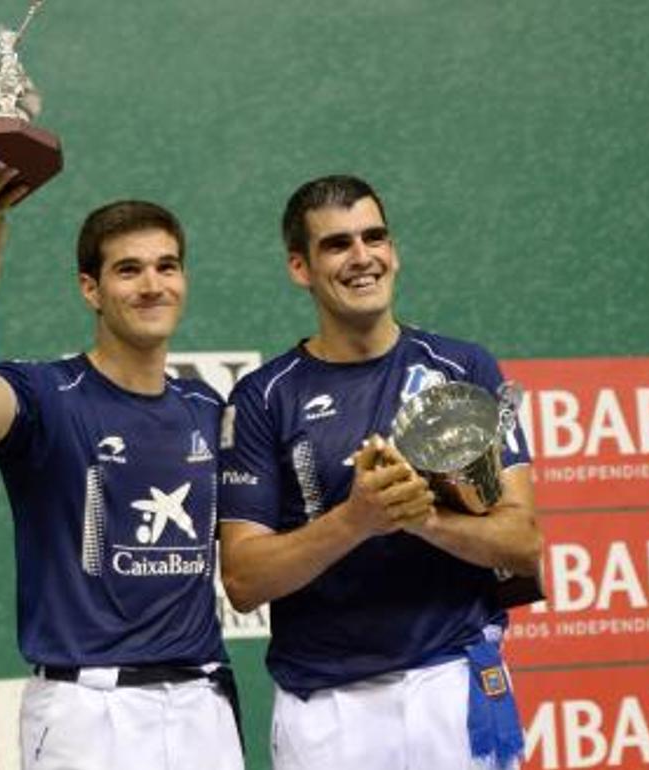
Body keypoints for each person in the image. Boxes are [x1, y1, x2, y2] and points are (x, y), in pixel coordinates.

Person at [0, 156, 243, 770]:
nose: (152, 284)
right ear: (90, 288)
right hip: (86, 715)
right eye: (128, 270)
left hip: (201, 707)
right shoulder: (48, 397)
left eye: (166, 267)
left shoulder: (207, 407)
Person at [218, 174, 543, 770]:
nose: (363, 257)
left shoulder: (461, 370)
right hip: (325, 709)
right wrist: (357, 518)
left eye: (375, 237)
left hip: (453, 685)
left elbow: (523, 544)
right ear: (300, 267)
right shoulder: (264, 398)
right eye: (337, 244)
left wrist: (421, 519)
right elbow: (243, 579)